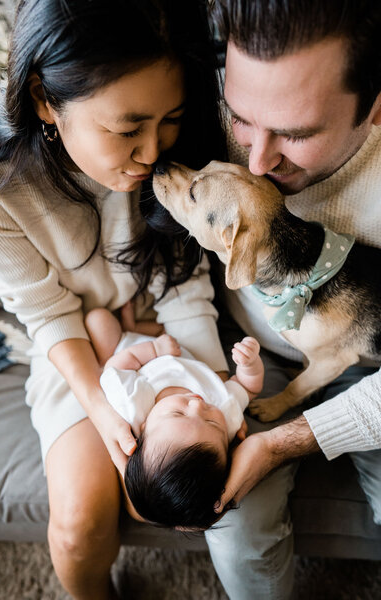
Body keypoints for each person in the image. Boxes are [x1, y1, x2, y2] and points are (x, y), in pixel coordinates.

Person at [0, 1, 230, 598]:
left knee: (157, 502)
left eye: (168, 119)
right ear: (44, 99)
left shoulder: (182, 142)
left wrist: (206, 383)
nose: (152, 152)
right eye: (128, 129)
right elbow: (45, 312)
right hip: (71, 346)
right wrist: (103, 407)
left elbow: (183, 279)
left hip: (165, 323)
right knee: (78, 525)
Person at [202, 1, 381, 599]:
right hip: (248, 353)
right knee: (231, 528)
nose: (256, 160)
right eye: (241, 118)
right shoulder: (204, 108)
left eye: (297, 133)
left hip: (370, 371)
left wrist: (288, 437)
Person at [84, 306, 264, 530]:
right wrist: (250, 366)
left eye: (177, 413)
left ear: (142, 428)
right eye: (212, 423)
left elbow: (115, 367)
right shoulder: (225, 412)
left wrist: (153, 348)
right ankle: (136, 325)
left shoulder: (133, 403)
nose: (198, 404)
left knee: (97, 320)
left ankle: (131, 329)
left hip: (134, 353)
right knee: (166, 334)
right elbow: (248, 388)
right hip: (179, 350)